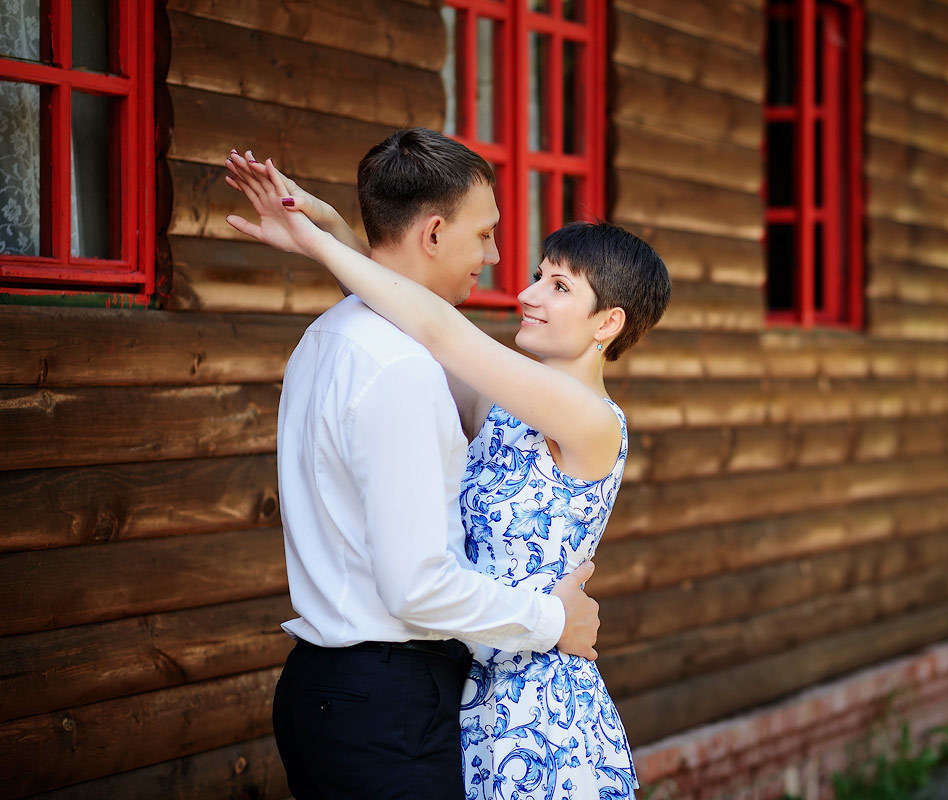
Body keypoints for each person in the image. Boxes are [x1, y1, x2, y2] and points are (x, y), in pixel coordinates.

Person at [225, 136, 671, 799]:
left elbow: (437, 329)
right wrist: (340, 231)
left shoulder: (590, 421)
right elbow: (412, 315)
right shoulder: (505, 399)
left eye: (556, 284)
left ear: (608, 322)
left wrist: (323, 244)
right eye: (537, 274)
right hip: (463, 690)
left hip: (536, 707)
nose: (523, 292)